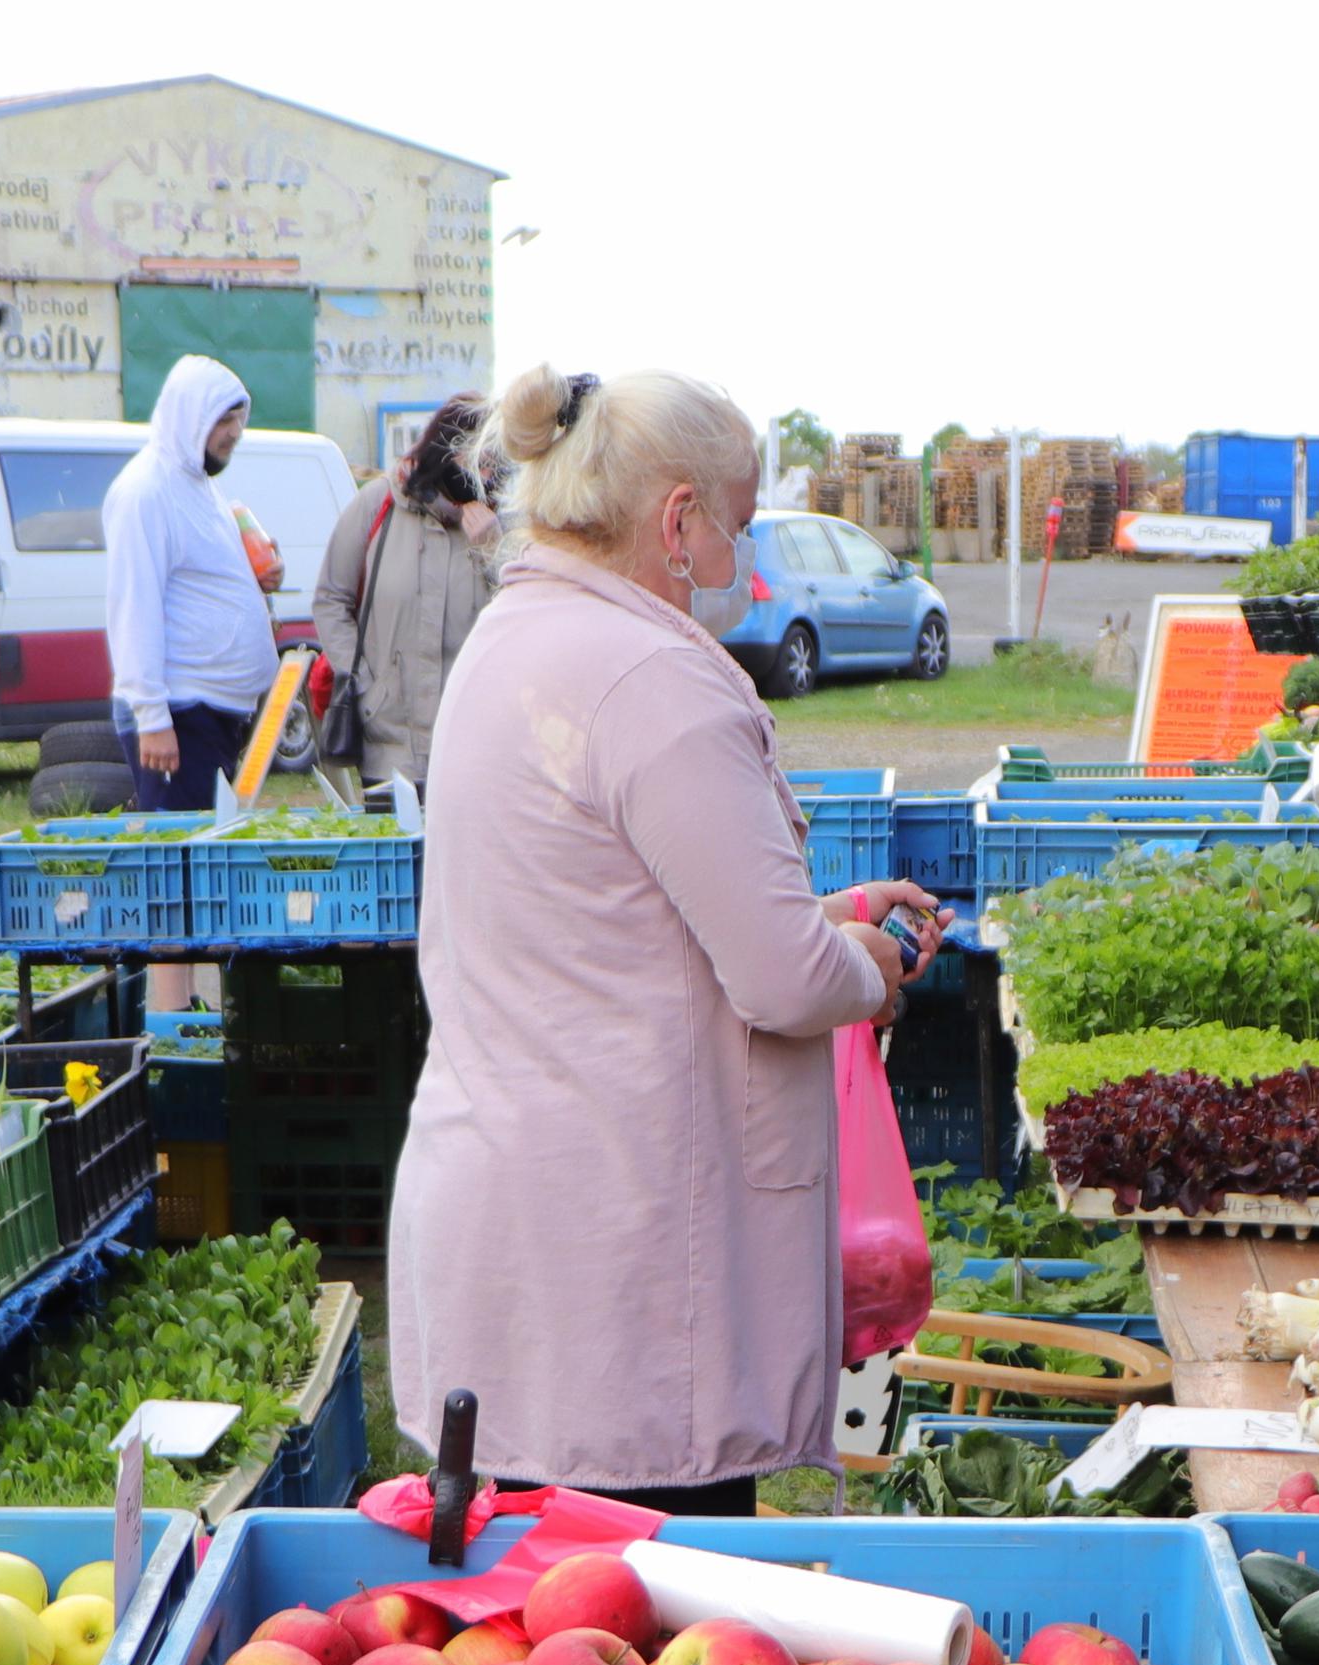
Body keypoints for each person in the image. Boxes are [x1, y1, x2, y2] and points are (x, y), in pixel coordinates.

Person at [387, 365, 941, 1513]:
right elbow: (785, 984)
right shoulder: (654, 677)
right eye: (735, 525)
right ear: (676, 519)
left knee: (548, 1617)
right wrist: (867, 967)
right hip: (624, 1254)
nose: (741, 559)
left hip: (520, 1215)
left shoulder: (517, 635)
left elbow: (607, 915)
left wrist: (827, 918)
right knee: (644, 1634)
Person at [102, 356, 276, 813]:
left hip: (210, 712)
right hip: (178, 715)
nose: (236, 431)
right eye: (223, 419)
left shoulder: (196, 484)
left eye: (239, 418)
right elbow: (134, 608)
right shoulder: (145, 492)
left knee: (203, 859)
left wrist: (256, 577)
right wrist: (153, 718)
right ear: (189, 416)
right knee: (180, 866)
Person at [312, 393, 500, 796]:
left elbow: (525, 622)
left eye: (492, 463)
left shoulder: (504, 524)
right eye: (474, 459)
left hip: (475, 751)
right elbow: (331, 598)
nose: (483, 474)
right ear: (443, 450)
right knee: (396, 857)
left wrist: (493, 549)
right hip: (389, 746)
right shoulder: (378, 503)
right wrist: (365, 680)